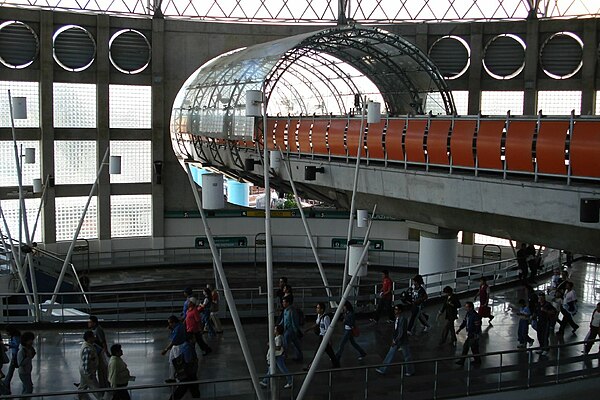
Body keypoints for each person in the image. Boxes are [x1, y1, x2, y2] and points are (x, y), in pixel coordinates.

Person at [376, 304, 414, 376]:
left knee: (407, 356)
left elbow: (401, 332)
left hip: (401, 340)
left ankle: (410, 370)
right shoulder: (397, 318)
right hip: (398, 340)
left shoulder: (403, 319)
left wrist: (395, 340)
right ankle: (383, 369)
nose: (395, 311)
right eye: (395, 309)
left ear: (400, 310)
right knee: (392, 354)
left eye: (396, 309)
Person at [303, 302, 340, 370]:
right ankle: (336, 364)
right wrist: (308, 329)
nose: (316, 309)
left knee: (317, 352)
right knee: (330, 352)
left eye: (318, 308)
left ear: (322, 309)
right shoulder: (319, 316)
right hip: (321, 336)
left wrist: (329, 339)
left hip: (324, 337)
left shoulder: (326, 318)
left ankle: (310, 366)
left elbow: (328, 329)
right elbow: (317, 324)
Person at [260, 325, 293, 389]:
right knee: (271, 369)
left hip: (277, 356)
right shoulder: (279, 337)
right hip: (276, 355)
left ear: (278, 331)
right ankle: (265, 381)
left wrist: (271, 344)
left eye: (275, 329)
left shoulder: (278, 338)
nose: (274, 331)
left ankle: (290, 381)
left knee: (282, 369)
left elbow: (278, 347)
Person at [169, 336, 201, 400]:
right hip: (189, 372)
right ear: (190, 339)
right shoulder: (188, 347)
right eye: (194, 338)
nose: (195, 339)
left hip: (188, 372)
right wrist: (194, 361)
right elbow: (188, 360)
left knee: (187, 388)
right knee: (186, 388)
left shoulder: (187, 346)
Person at [162, 315, 187, 383]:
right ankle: (172, 377)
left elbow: (174, 341)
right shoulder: (178, 326)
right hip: (175, 347)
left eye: (170, 323)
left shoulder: (178, 328)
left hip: (179, 347)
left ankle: (180, 379)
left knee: (178, 363)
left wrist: (166, 350)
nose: (169, 324)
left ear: (174, 322)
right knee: (171, 361)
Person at [455, 301, 482, 366]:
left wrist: (476, 334)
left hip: (473, 334)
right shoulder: (468, 314)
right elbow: (464, 322)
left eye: (466, 307)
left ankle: (464, 361)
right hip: (470, 334)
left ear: (471, 307)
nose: (465, 308)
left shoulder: (475, 316)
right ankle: (476, 360)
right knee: (471, 348)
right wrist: (459, 329)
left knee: (470, 347)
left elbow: (477, 326)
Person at [78, 330, 102, 400]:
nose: (94, 338)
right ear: (89, 338)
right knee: (95, 387)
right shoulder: (87, 349)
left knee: (82, 386)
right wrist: (88, 374)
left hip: (85, 371)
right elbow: (86, 362)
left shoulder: (90, 345)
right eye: (93, 336)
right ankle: (100, 398)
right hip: (88, 371)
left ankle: (79, 396)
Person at [88, 315, 109, 389]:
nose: (88, 324)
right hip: (97, 351)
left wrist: (106, 352)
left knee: (101, 369)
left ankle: (104, 384)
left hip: (99, 352)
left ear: (94, 323)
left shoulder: (98, 330)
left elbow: (103, 342)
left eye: (90, 322)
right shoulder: (95, 330)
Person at [279, 297, 303, 362]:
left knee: (286, 344)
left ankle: (284, 357)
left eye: (284, 302)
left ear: (288, 303)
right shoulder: (285, 310)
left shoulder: (292, 311)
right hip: (287, 329)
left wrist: (296, 330)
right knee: (295, 343)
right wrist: (279, 325)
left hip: (291, 330)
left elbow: (294, 322)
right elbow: (283, 320)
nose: (283, 303)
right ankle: (299, 356)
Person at [17, 331, 35, 396]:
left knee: (26, 387)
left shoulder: (28, 348)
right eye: (30, 340)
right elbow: (20, 363)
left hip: (27, 371)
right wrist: (28, 357)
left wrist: (30, 355)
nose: (32, 342)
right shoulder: (22, 351)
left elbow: (32, 355)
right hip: (23, 373)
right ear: (25, 341)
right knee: (29, 388)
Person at [3, 326, 20, 393]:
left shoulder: (15, 337)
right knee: (11, 369)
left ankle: (6, 382)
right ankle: (6, 381)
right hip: (15, 354)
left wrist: (9, 345)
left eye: (7, 332)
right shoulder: (16, 336)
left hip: (15, 355)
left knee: (11, 370)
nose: (6, 333)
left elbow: (17, 345)